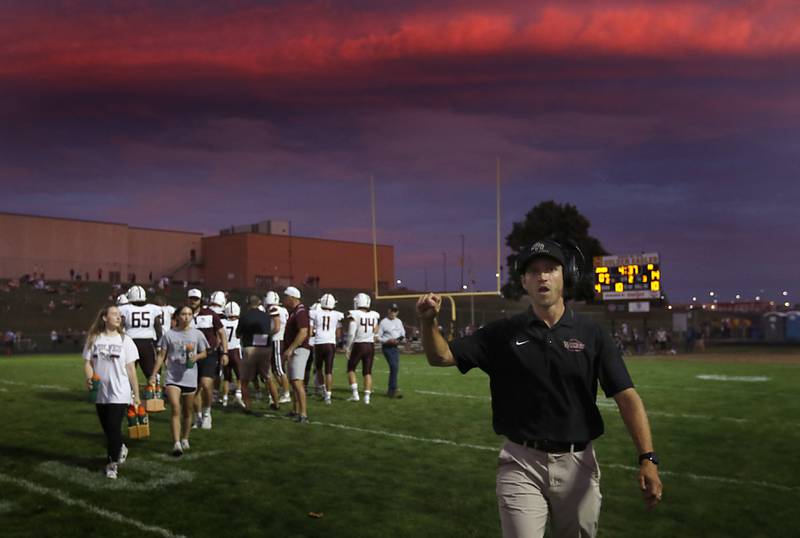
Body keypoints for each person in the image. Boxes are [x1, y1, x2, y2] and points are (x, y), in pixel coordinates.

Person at [416, 239, 663, 538]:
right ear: (524, 281)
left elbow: (627, 397)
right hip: (521, 463)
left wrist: (647, 459)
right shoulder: (502, 333)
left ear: (564, 276)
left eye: (550, 268)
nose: (542, 276)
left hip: (577, 462)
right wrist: (428, 322)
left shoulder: (592, 333)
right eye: (534, 271)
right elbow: (440, 356)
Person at [82, 305, 142, 479]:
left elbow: (131, 370)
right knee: (108, 429)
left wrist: (136, 395)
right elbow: (87, 363)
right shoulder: (94, 339)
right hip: (100, 392)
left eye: (120, 315)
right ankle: (120, 447)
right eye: (114, 314)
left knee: (114, 428)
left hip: (120, 391)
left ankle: (111, 465)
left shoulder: (125, 340)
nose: (118, 317)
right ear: (104, 318)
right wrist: (89, 378)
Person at [150, 306, 208, 457]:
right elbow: (161, 356)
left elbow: (205, 352)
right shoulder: (169, 335)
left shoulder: (197, 334)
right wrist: (153, 374)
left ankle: (185, 438)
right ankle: (176, 443)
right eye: (183, 314)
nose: (186, 317)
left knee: (188, 411)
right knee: (176, 408)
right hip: (172, 377)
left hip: (189, 377)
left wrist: (196, 357)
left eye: (189, 314)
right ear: (177, 316)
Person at [187, 288, 228, 429]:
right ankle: (197, 416)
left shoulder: (210, 314)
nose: (193, 301)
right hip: (191, 354)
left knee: (206, 384)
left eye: (196, 299)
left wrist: (225, 353)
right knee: (193, 389)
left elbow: (222, 333)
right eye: (191, 298)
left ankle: (206, 414)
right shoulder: (185, 315)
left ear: (201, 300)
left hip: (209, 354)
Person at [236, 295, 279, 410]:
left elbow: (238, 334)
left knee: (244, 380)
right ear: (259, 302)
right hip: (265, 346)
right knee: (268, 377)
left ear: (248, 303)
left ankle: (248, 406)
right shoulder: (266, 316)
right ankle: (276, 402)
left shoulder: (245, 316)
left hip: (250, 347)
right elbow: (268, 330)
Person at [118, 285, 163, 380]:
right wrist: (159, 343)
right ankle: (154, 391)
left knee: (128, 371)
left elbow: (120, 328)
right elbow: (158, 328)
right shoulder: (153, 308)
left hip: (130, 342)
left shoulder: (125, 309)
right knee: (151, 372)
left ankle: (130, 392)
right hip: (148, 343)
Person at [282, 286, 310, 423]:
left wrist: (291, 348)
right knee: (294, 382)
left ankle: (303, 413)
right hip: (295, 350)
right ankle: (296, 410)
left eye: (285, 297)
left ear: (291, 298)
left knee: (298, 382)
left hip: (299, 350)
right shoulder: (295, 312)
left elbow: (303, 332)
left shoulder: (300, 312)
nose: (283, 300)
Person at [344, 293, 380, 404]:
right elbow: (376, 331)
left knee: (350, 369)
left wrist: (347, 347)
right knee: (367, 372)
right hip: (370, 345)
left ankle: (355, 395)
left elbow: (351, 333)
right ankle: (367, 399)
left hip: (359, 344)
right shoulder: (374, 315)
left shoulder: (355, 314)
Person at [309, 293, 343, 405]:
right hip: (330, 344)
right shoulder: (337, 315)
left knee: (318, 369)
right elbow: (338, 334)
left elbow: (310, 332)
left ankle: (323, 389)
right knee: (329, 371)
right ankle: (328, 396)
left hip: (319, 343)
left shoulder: (315, 313)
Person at [378, 304, 406, 399]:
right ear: (388, 310)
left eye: (395, 311)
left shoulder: (399, 321)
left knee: (395, 368)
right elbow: (378, 336)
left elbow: (403, 333)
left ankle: (393, 388)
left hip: (395, 347)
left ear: (397, 312)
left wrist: (398, 340)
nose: (393, 313)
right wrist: (387, 341)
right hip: (387, 347)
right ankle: (392, 390)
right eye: (392, 310)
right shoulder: (383, 322)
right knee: (394, 367)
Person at [220, 301, 244, 408]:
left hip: (225, 351)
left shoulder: (222, 322)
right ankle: (238, 395)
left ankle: (224, 399)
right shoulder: (240, 322)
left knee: (226, 377)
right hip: (236, 351)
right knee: (240, 376)